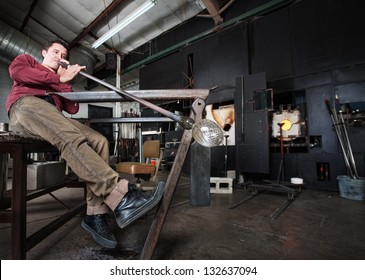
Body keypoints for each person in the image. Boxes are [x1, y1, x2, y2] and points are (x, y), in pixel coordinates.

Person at [6, 39, 165, 249]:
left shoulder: (59, 79)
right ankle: (121, 195)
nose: (59, 58)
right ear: (44, 52)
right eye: (55, 52)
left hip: (53, 116)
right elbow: (17, 73)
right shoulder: (28, 62)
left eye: (63, 56)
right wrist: (58, 77)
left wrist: (66, 82)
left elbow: (71, 108)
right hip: (25, 106)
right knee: (69, 135)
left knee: (99, 140)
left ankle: (95, 214)